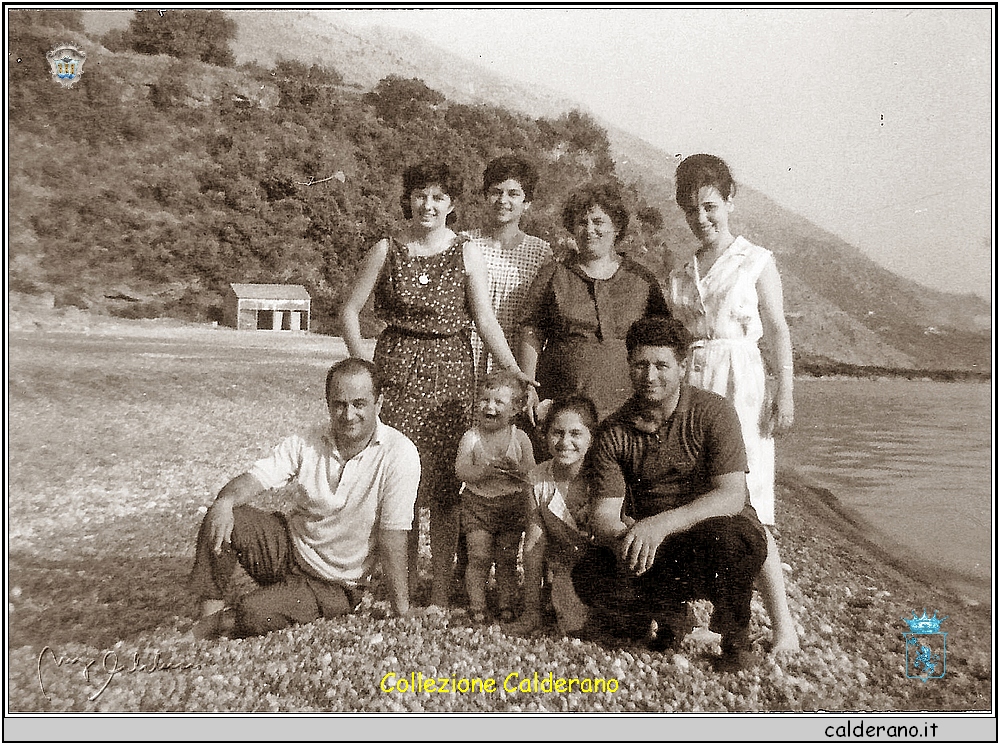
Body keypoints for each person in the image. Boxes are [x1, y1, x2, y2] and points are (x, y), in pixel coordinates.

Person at [339, 161, 532, 609]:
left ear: (452, 205)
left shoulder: (466, 251)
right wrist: (365, 367)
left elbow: (484, 319)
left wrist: (513, 371)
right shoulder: (386, 249)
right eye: (420, 195)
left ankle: (442, 592)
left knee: (445, 491)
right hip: (396, 372)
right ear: (408, 199)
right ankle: (399, 587)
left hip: (450, 376)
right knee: (397, 485)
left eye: (438, 197)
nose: (428, 204)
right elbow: (349, 311)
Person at [572, 316, 768, 672]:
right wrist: (628, 538)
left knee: (737, 539)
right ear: (629, 365)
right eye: (641, 365)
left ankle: (734, 637)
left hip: (711, 533)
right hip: (653, 546)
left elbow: (730, 495)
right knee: (590, 573)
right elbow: (604, 514)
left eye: (662, 365)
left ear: (682, 366)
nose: (650, 376)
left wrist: (660, 524)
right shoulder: (614, 430)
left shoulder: (713, 412)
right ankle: (664, 612)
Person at [668, 153, 799, 653]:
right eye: (692, 211)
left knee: (750, 504)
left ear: (728, 200)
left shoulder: (757, 259)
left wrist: (784, 391)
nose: (702, 219)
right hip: (694, 388)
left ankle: (784, 624)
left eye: (710, 206)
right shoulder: (682, 272)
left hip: (741, 385)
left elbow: (778, 328)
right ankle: (715, 616)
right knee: (694, 500)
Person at [189, 358, 419, 639]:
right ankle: (209, 613)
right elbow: (255, 478)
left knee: (251, 614)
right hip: (289, 550)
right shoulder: (308, 440)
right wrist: (224, 501)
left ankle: (219, 625)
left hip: (335, 583)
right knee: (224, 514)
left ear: (378, 403)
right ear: (328, 404)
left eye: (359, 404)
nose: (348, 415)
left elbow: (392, 537)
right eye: (339, 404)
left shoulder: (400, 454)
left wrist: (401, 610)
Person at [519, 181, 670, 421]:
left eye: (598, 222)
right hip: (561, 406)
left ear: (617, 227)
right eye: (582, 222)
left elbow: (663, 341)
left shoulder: (642, 280)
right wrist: (528, 386)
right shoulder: (553, 274)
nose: (589, 229)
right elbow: (531, 329)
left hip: (626, 407)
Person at [509, 395, 599, 636]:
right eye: (557, 433)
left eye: (575, 434)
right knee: (572, 627)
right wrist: (531, 611)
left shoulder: (601, 476)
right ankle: (544, 605)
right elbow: (534, 545)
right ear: (546, 435)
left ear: (591, 438)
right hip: (565, 565)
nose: (565, 442)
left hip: (600, 565)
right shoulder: (537, 479)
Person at [455, 370, 536, 623]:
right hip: (478, 505)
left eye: (498, 402)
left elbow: (533, 472)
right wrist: (481, 472)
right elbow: (461, 470)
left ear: (514, 409)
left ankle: (505, 603)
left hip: (511, 505)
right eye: (485, 400)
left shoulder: (519, 438)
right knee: (478, 556)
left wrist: (517, 470)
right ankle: (477, 603)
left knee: (507, 557)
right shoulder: (472, 437)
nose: (489, 406)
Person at [467, 155, 553, 382]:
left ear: (527, 203)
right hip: (466, 354)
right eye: (496, 192)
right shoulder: (464, 242)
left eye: (513, 194)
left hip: (514, 358)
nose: (503, 200)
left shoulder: (541, 252)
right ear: (486, 196)